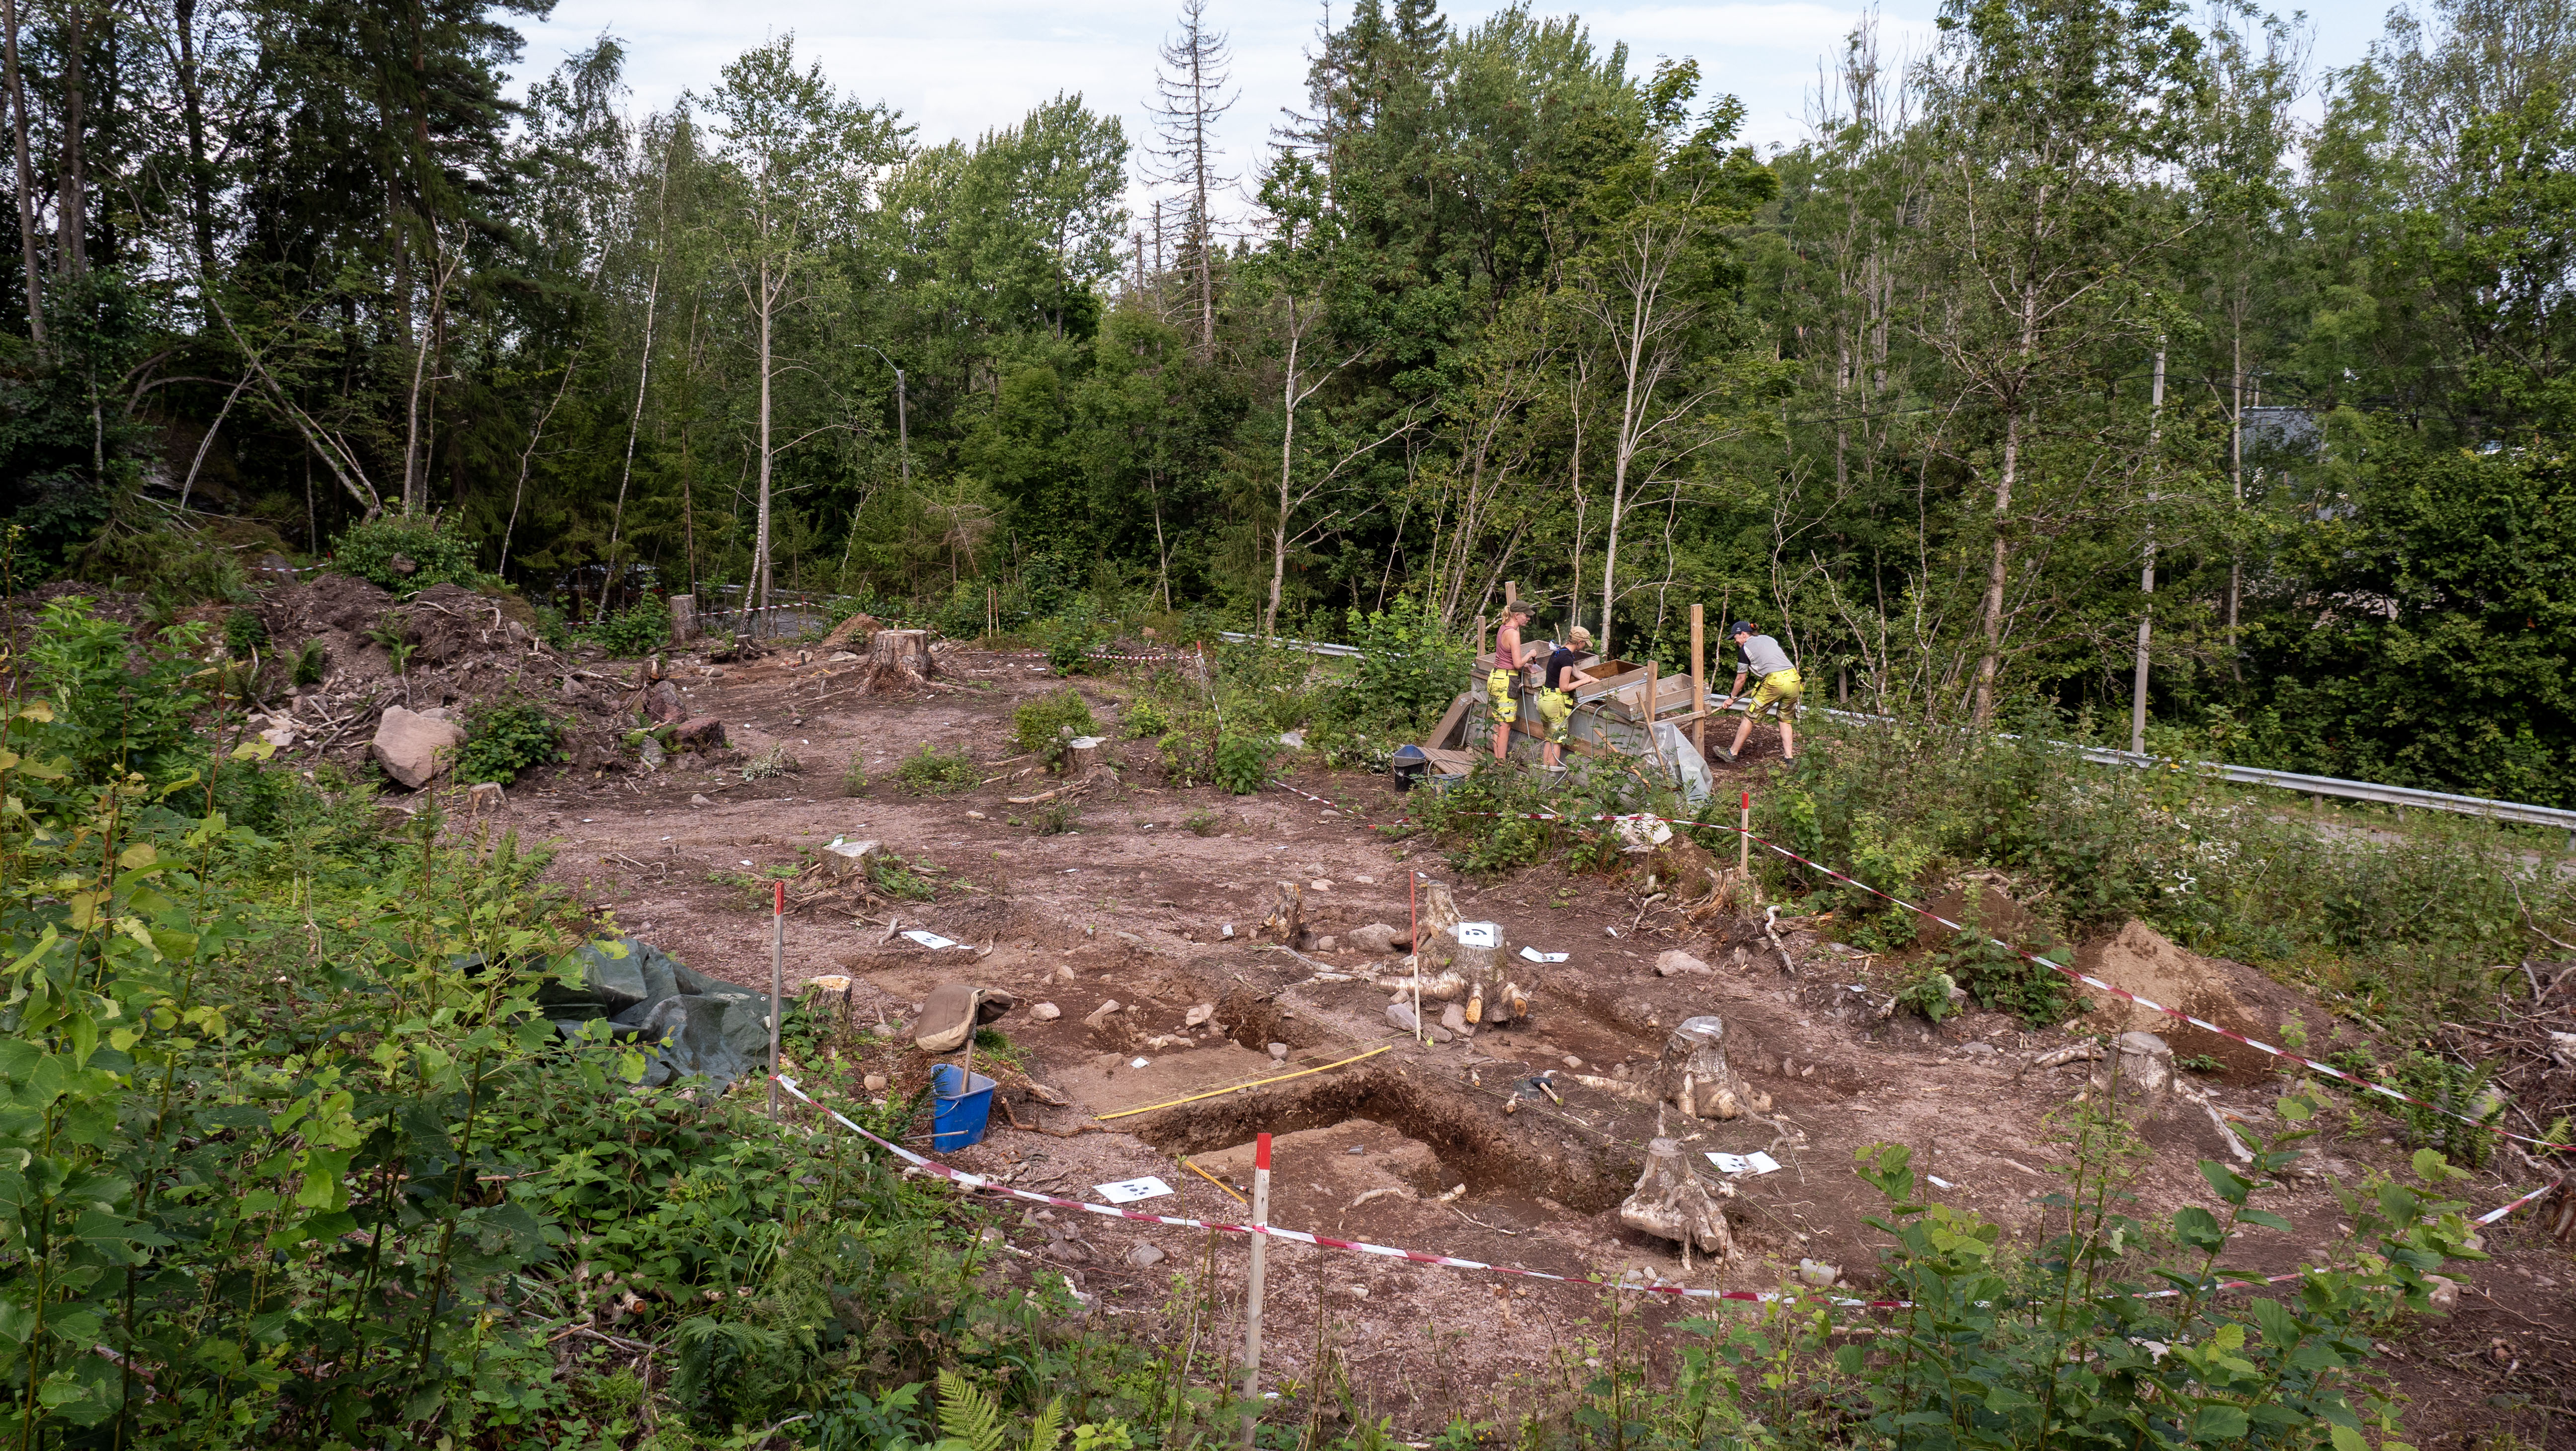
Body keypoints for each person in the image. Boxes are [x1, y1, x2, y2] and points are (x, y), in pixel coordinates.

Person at [1714, 621, 1800, 764]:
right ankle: (1789, 758)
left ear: (1743, 634)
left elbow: (1741, 679)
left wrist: (1732, 698)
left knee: (1749, 716)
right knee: (1785, 719)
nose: (1735, 642)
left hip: (1774, 682)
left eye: (1735, 638)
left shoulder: (1745, 649)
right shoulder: (1768, 639)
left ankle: (1732, 753)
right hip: (1793, 679)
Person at [1487, 604, 1543, 762]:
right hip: (1506, 682)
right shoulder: (1514, 633)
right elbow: (1517, 664)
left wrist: (1526, 664)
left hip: (1496, 677)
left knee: (1498, 723)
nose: (1528, 618)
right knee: (1505, 726)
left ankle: (1496, 759)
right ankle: (1501, 765)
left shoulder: (1503, 628)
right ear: (1517, 615)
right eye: (1526, 615)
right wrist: (1530, 654)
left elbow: (1507, 657)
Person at [1534, 626, 1596, 771]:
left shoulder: (1560, 651)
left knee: (1549, 739)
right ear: (1579, 642)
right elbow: (1565, 687)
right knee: (1557, 742)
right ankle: (1551, 778)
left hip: (1545, 699)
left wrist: (1598, 682)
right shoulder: (1567, 658)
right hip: (1556, 703)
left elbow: (1578, 673)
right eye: (1585, 643)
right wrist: (1585, 682)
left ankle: (1544, 775)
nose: (1585, 646)